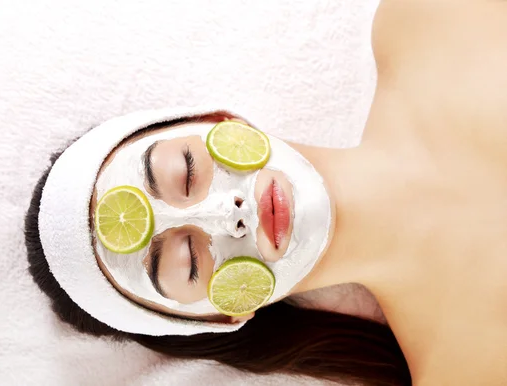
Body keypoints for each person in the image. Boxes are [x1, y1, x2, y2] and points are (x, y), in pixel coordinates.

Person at [25, 1, 507, 385]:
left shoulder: (428, 20)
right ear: (226, 316)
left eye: (189, 172)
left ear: (219, 120)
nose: (226, 213)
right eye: (190, 261)